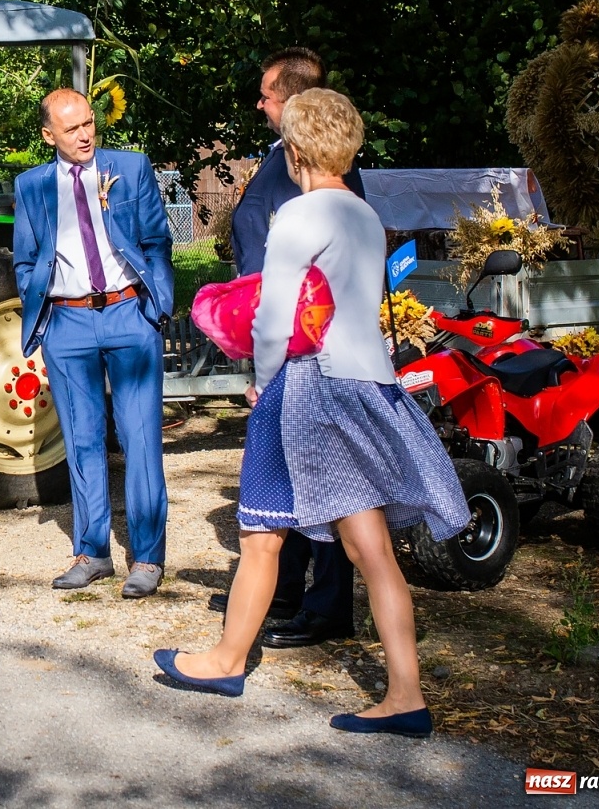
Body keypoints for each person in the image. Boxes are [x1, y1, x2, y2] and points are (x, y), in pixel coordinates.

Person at [153, 88, 468, 737]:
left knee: (261, 531)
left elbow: (275, 318)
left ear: (293, 150)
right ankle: (405, 692)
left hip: (309, 388)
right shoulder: (362, 215)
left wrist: (261, 386)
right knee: (374, 550)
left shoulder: (298, 217)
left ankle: (225, 658)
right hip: (367, 386)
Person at [218, 47, 367, 650]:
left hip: (303, 354)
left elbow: (306, 284)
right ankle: (293, 597)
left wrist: (265, 367)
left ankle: (324, 606)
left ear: (294, 102)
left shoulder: (319, 179)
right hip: (291, 347)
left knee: (324, 488)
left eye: (267, 95)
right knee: (306, 487)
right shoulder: (286, 160)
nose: (260, 104)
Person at [12, 88, 175, 599]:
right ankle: (92, 552)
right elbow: (25, 257)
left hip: (129, 313)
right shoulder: (32, 185)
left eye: (88, 123)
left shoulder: (131, 167)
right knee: (82, 441)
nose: (84, 134)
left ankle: (147, 558)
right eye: (71, 128)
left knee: (140, 438)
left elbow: (156, 240)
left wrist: (157, 308)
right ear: (48, 136)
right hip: (68, 322)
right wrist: (41, 309)